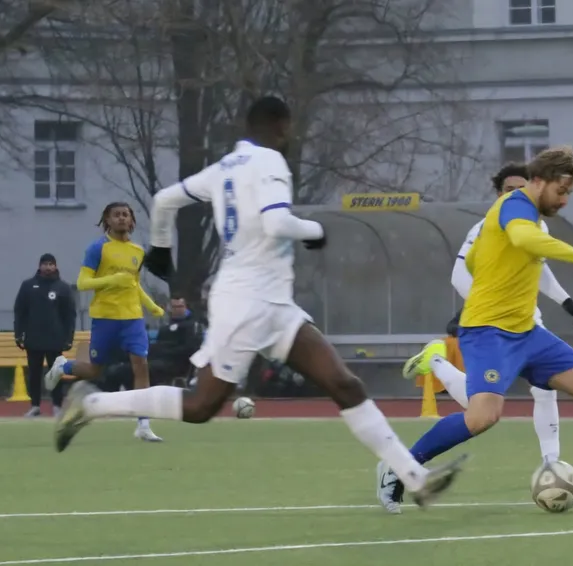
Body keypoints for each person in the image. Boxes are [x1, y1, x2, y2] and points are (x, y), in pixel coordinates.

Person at [52, 95, 466, 508]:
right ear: (281, 127)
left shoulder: (223, 168)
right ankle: (91, 403)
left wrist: (161, 248)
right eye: (290, 129)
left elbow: (163, 201)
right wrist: (314, 231)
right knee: (201, 405)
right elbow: (277, 222)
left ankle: (416, 480)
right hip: (247, 302)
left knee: (344, 383)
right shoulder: (270, 163)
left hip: (271, 303)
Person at [377, 145, 573, 513]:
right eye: (561, 192)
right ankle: (399, 467)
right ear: (539, 182)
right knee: (483, 416)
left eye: (568, 194)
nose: (564, 201)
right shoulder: (515, 205)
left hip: (527, 332)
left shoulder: (530, 218)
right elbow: (523, 240)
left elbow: (504, 255)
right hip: (488, 332)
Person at [398, 163, 573, 473]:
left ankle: (551, 463)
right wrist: (487, 307)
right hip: (492, 324)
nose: (516, 194)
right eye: (509, 190)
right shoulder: (485, 227)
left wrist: (566, 302)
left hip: (526, 321)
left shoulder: (537, 225)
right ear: (498, 194)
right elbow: (459, 275)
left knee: (545, 389)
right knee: (482, 410)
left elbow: (540, 268)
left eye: (521, 188)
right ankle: (436, 363)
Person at [43, 202, 166, 442]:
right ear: (107, 221)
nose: (121, 218)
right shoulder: (97, 248)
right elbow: (82, 282)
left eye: (125, 215)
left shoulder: (138, 251)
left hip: (132, 318)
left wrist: (150, 305)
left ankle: (143, 424)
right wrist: (111, 279)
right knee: (93, 370)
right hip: (105, 317)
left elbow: (133, 284)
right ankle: (63, 366)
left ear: (131, 221)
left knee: (140, 364)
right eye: (116, 215)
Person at [13, 253, 76, 417]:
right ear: (39, 266)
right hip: (34, 338)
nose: (48, 267)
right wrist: (19, 334)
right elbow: (20, 312)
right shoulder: (28, 286)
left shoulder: (63, 287)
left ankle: (56, 405)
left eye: (51, 264)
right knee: (34, 373)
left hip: (55, 339)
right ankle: (35, 406)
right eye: (45, 264)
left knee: (55, 373)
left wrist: (68, 337)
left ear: (55, 266)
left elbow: (69, 315)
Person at [148, 294, 203, 385]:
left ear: (185, 307)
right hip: (159, 360)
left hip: (178, 364)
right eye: (174, 307)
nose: (178, 309)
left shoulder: (191, 325)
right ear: (170, 308)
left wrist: (166, 350)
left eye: (180, 306)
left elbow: (189, 348)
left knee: (145, 369)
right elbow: (158, 345)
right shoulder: (165, 327)